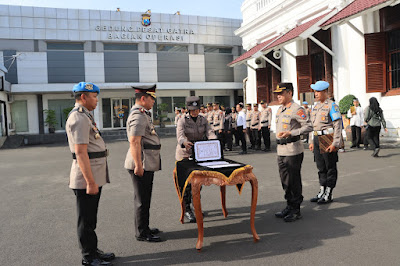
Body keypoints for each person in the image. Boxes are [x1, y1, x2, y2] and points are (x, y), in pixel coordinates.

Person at [65, 82, 115, 266]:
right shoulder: (78, 118)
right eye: (94, 96)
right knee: (85, 219)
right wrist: (90, 182)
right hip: (86, 177)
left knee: (91, 218)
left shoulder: (85, 115)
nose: (97, 100)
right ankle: (88, 256)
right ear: (83, 97)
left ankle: (94, 250)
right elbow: (80, 152)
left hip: (93, 174)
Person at [124, 85, 162, 243]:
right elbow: (134, 141)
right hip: (141, 162)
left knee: (145, 197)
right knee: (141, 199)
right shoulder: (138, 115)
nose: (154, 101)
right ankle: (142, 232)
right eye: (152, 98)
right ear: (143, 98)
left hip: (146, 161)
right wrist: (138, 165)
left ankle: (144, 227)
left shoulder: (144, 114)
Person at [273, 83, 312, 222]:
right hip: (281, 150)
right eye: (277, 94)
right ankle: (289, 205)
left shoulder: (297, 109)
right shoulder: (280, 109)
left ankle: (296, 209)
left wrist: (291, 132)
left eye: (281, 93)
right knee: (285, 181)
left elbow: (308, 126)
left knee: (294, 181)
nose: (278, 96)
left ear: (289, 93)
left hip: (293, 150)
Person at [176, 96, 216, 222]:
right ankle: (187, 209)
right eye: (192, 110)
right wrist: (184, 142)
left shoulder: (203, 119)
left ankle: (196, 206)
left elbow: (209, 131)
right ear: (188, 110)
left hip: (199, 152)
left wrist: (214, 140)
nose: (195, 112)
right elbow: (180, 135)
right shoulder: (182, 120)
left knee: (198, 182)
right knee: (187, 184)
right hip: (185, 153)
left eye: (197, 109)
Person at [309, 81, 342, 204]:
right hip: (317, 138)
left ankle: (329, 192)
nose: (315, 94)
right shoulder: (316, 106)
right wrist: (311, 141)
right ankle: (322, 190)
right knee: (320, 166)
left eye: (318, 91)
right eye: (315, 91)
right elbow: (312, 125)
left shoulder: (332, 106)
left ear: (324, 92)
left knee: (330, 167)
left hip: (328, 138)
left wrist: (335, 143)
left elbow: (337, 125)